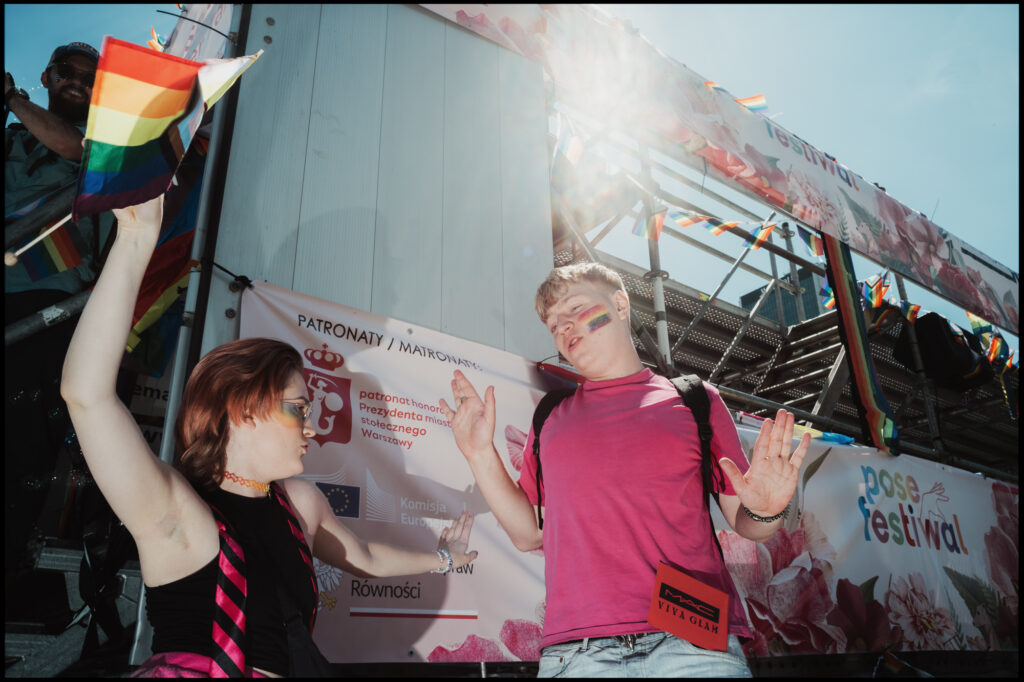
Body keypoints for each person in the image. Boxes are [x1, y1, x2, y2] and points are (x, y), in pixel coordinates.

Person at [61, 195, 479, 678]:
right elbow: (87, 395)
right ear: (242, 408)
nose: (314, 426)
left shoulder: (299, 502)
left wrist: (446, 557)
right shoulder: (177, 512)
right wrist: (135, 239)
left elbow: (364, 558)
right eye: (298, 409)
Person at [439, 261, 809, 678]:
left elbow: (750, 524)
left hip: (694, 645)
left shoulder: (694, 399)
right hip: (577, 654)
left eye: (575, 308)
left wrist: (767, 509)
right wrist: (478, 453)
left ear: (618, 304)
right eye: (553, 325)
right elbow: (527, 534)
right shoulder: (550, 417)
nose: (563, 327)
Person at [4, 41, 118, 581]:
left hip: (54, 298)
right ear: (48, 76)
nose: (77, 81)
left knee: (28, 435)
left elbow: (73, 150)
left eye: (88, 77)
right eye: (67, 72)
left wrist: (11, 98)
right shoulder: (10, 141)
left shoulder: (106, 139)